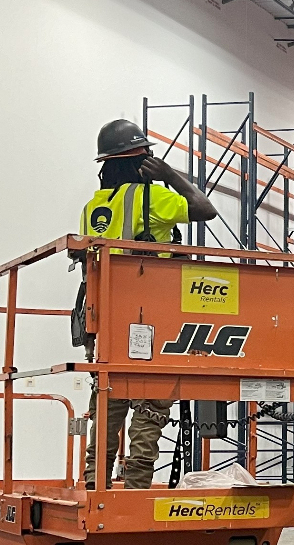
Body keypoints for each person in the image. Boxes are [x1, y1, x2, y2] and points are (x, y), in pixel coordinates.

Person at [80, 120, 217, 490]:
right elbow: (205, 209)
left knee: (108, 399)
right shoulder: (152, 198)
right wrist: (169, 175)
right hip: (152, 314)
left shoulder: (93, 207)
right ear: (143, 162)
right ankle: (136, 490)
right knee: (150, 404)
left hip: (107, 317)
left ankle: (95, 487)